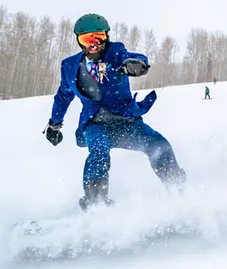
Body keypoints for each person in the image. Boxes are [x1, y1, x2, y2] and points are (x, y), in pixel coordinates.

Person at [43, 13, 186, 211]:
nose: (93, 44)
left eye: (98, 37)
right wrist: (54, 124)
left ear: (106, 37)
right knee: (99, 152)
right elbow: (63, 97)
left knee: (158, 144)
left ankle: (179, 190)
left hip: (127, 124)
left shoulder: (115, 52)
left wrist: (135, 65)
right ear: (79, 41)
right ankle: (96, 204)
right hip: (96, 125)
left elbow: (133, 58)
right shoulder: (69, 66)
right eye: (86, 39)